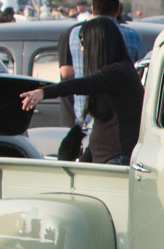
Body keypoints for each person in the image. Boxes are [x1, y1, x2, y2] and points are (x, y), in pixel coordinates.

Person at [22, 19, 143, 163]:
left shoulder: (117, 73)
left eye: (83, 43)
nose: (82, 49)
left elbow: (79, 85)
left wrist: (43, 93)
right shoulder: (118, 73)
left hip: (117, 158)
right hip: (109, 157)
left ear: (97, 43)